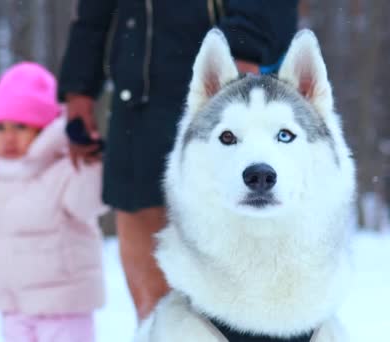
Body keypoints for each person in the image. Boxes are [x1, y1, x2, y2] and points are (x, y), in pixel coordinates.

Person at [58, 0, 299, 320]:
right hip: (137, 99)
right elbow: (94, 13)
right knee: (151, 284)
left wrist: (245, 46)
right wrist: (79, 88)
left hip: (222, 92)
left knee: (238, 280)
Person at [0, 62, 107, 342]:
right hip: (13, 308)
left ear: (43, 129)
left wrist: (90, 160)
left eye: (21, 126)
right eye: (0, 127)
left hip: (63, 308)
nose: (9, 136)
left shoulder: (64, 169)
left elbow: (89, 202)